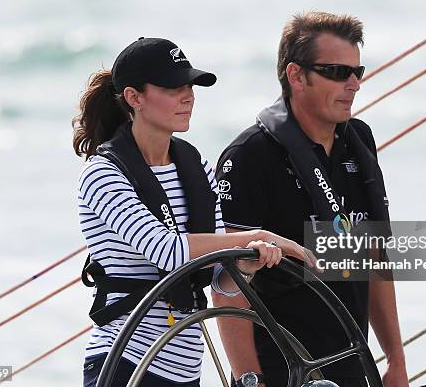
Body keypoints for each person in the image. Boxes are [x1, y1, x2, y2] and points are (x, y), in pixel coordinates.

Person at [72, 37, 315, 387]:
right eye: (172, 87)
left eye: (189, 85)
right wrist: (258, 237)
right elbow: (167, 251)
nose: (188, 96)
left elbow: (219, 275)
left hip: (185, 368)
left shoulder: (195, 165)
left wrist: (243, 264)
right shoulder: (103, 173)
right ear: (134, 97)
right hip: (126, 363)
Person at [212, 12, 409, 387]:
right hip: (281, 370)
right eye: (336, 72)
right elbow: (228, 286)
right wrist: (250, 379)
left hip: (352, 364)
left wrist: (396, 363)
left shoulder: (359, 142)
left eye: (357, 72)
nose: (352, 84)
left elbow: (374, 256)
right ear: (296, 75)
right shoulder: (249, 156)